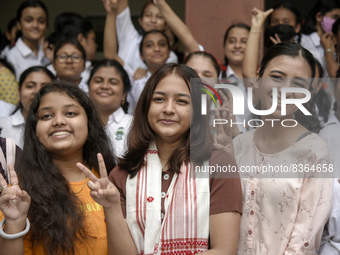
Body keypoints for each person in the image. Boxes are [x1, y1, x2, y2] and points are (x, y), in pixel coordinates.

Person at [76, 63, 242, 254]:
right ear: (146, 106)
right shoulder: (123, 173)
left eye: (181, 101)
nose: (168, 109)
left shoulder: (219, 164)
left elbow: (224, 250)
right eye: (159, 99)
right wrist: (112, 207)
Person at [234, 42, 333, 254]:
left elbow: (304, 240)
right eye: (277, 77)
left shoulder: (315, 152)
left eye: (298, 84)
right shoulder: (238, 146)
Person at [0, 80, 116, 255]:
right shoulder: (20, 193)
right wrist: (14, 222)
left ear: (89, 123)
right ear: (35, 130)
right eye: (46, 116)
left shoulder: (111, 180)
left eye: (70, 113)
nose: (58, 121)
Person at [0, 66, 55, 148]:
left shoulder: (61, 126)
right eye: (30, 86)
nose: (37, 91)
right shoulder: (3, 125)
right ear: (19, 92)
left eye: (45, 87)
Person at [88, 59, 132, 158]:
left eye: (113, 82)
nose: (105, 86)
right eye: (98, 81)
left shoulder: (135, 125)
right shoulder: (79, 123)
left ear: (124, 93)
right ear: (88, 89)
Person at [5, 0, 50, 80]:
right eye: (29, 20)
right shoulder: (12, 57)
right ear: (19, 24)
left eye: (41, 21)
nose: (35, 25)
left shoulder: (48, 52)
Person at [300, 0, 340, 77]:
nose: (337, 22)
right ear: (319, 17)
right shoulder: (302, 41)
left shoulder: (336, 43)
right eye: (335, 17)